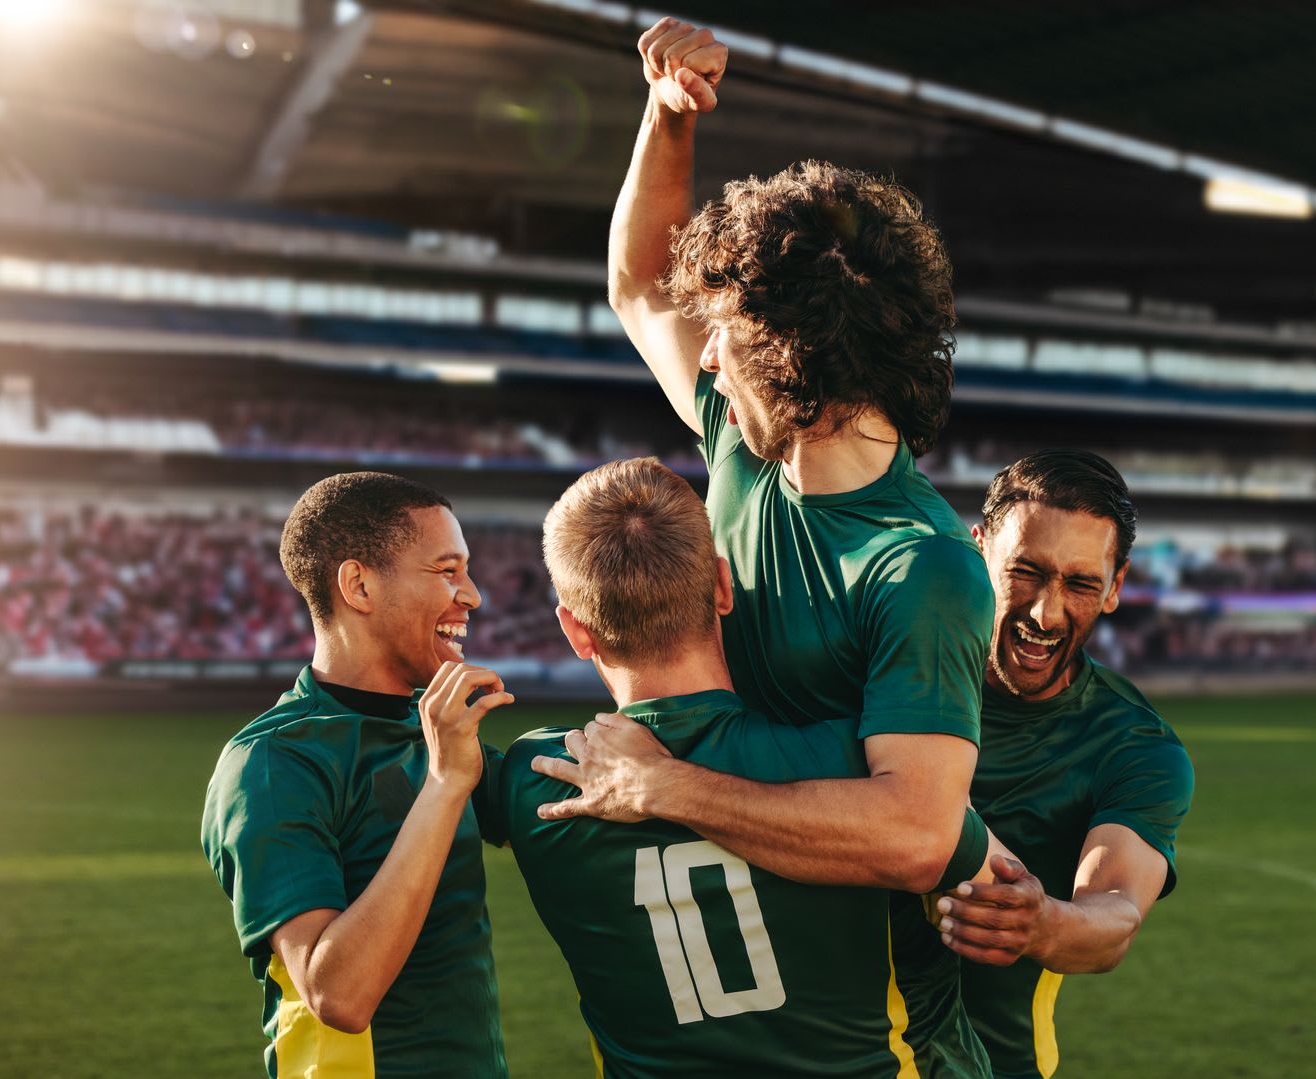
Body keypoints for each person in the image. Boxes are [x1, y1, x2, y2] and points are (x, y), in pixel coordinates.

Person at [531, 18, 997, 1075]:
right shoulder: (745, 447)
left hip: (882, 1040)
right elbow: (641, 283)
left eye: (729, 332)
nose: (707, 351)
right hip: (759, 996)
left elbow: (918, 833)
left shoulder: (920, 569)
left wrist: (666, 787)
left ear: (796, 363)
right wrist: (667, 116)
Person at [505, 457, 996, 1076]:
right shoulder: (855, 765)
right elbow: (1001, 884)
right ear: (720, 585)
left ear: (575, 631)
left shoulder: (532, 777)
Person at [201, 472, 515, 1078]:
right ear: (359, 585)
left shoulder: (430, 732)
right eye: (447, 570)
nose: (471, 594)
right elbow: (337, 995)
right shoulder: (272, 762)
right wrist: (446, 784)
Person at [937, 451, 1195, 1079]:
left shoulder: (1135, 746)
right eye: (1025, 572)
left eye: (1080, 583)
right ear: (979, 553)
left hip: (994, 1068)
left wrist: (1044, 922)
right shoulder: (903, 673)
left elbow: (1112, 917)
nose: (1045, 614)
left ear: (1114, 588)